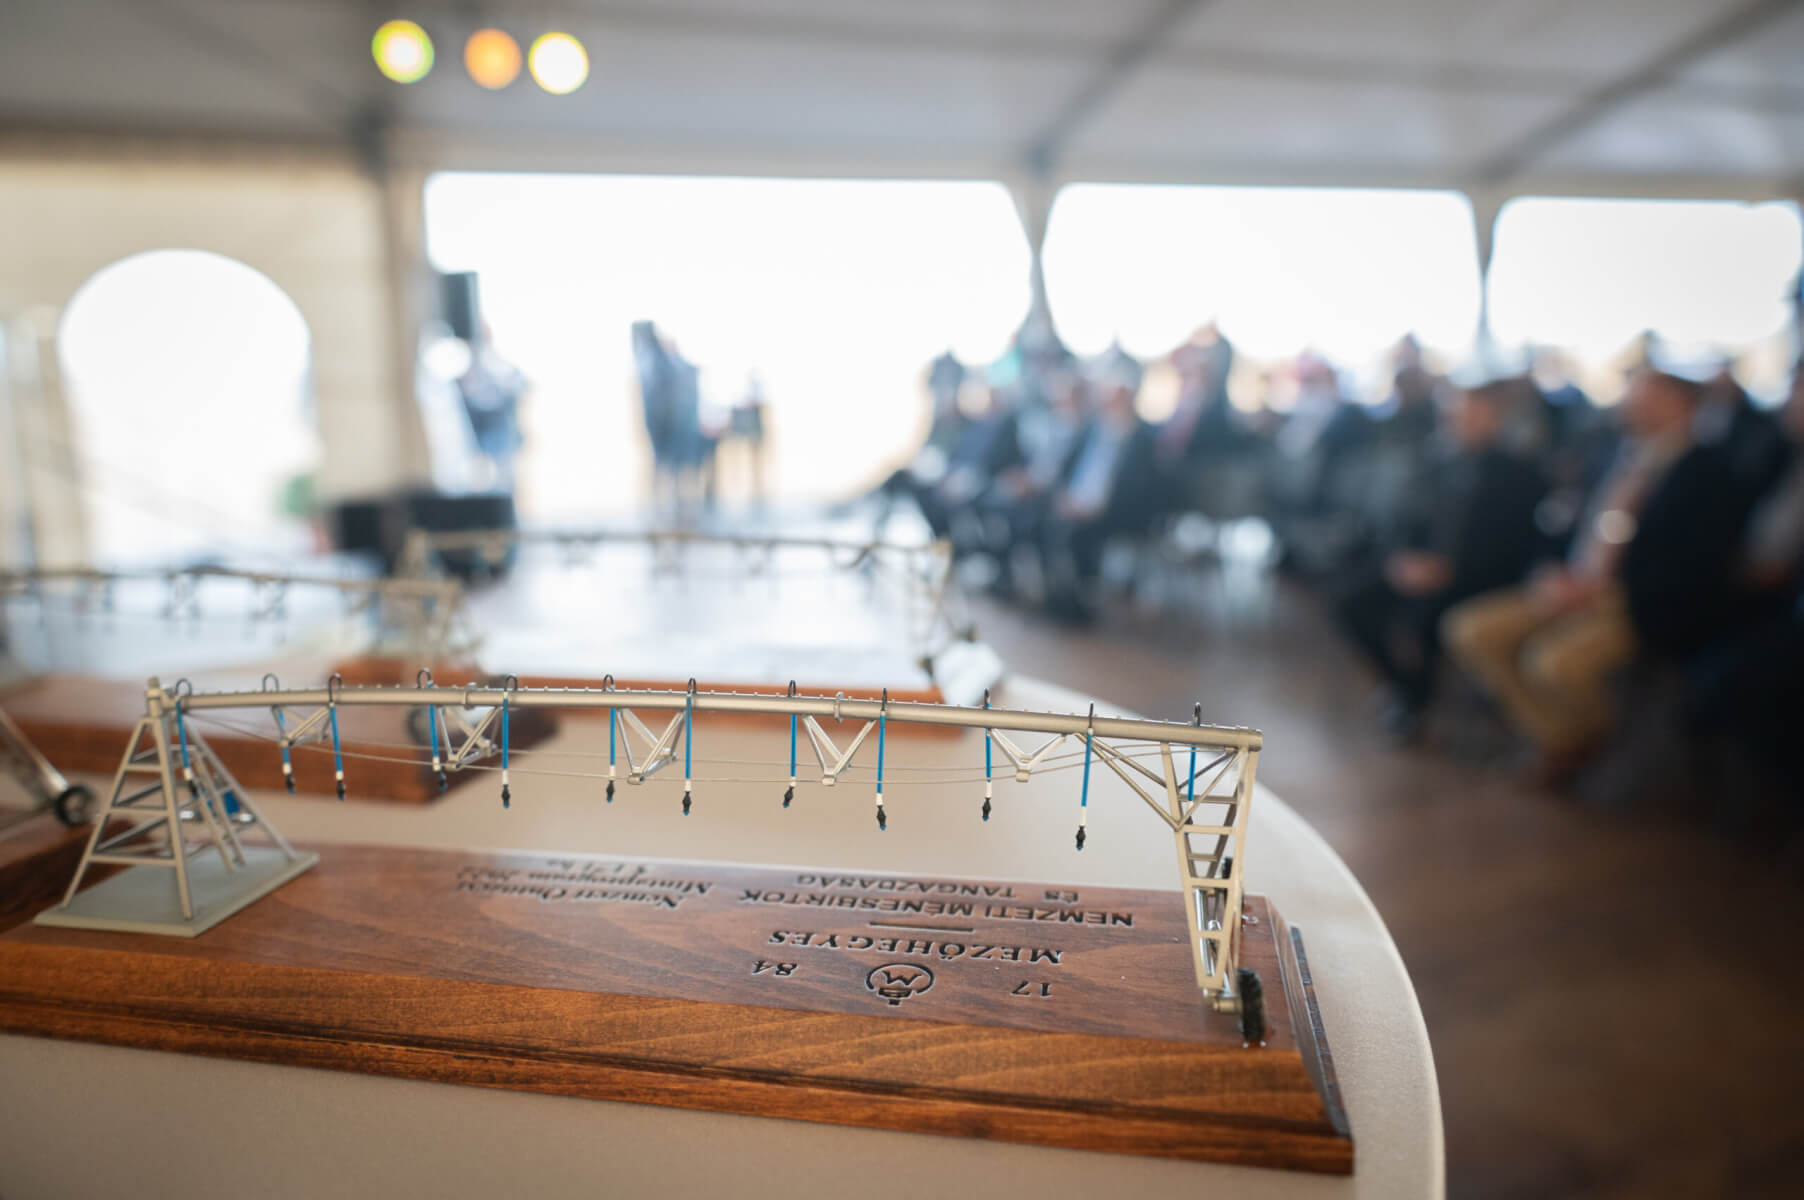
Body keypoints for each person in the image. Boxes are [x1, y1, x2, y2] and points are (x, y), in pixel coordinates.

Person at [1441, 369, 1739, 779]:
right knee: (1470, 630)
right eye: (1634, 396)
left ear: (1682, 405)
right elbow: (1561, 518)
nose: (1632, 405)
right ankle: (1564, 738)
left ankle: (1579, 741)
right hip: (1573, 582)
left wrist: (1606, 591)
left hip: (1635, 603)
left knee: (1551, 663)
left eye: (1647, 397)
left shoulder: (1708, 473)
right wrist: (1547, 568)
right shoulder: (1611, 454)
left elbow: (1689, 567)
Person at [1333, 381, 1546, 740]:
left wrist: (1451, 570)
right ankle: (1408, 688)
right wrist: (1402, 559)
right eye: (1457, 414)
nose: (1462, 421)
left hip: (1476, 577)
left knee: (1427, 620)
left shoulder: (1521, 474)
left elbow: (1517, 544)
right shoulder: (1433, 463)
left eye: (1474, 415)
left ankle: (1417, 701)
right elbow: (1404, 518)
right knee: (1350, 600)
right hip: (1419, 567)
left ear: (1495, 420)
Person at [1039, 348, 1158, 622]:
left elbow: (1138, 489)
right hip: (1078, 502)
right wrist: (1067, 497)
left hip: (1115, 511)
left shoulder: (1142, 437)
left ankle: (1082, 600)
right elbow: (1069, 469)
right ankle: (1057, 596)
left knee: (1076, 534)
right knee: (1041, 521)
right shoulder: (1092, 429)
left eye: (1116, 393)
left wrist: (1094, 507)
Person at [978, 365, 1088, 596]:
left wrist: (1035, 484)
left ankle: (1047, 587)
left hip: (1053, 494)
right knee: (992, 504)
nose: (1060, 400)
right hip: (1035, 487)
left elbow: (1065, 474)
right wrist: (1024, 477)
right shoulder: (1054, 424)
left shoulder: (1085, 430)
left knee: (1025, 519)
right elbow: (1038, 461)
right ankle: (1004, 575)